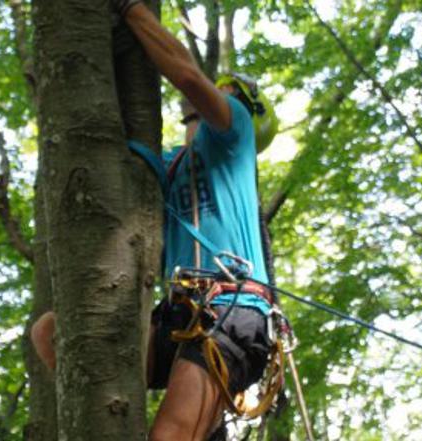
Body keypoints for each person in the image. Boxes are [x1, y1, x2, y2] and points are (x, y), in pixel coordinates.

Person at [31, 1, 280, 440]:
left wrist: (129, 8)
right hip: (181, 316)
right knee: (50, 333)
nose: (211, 92)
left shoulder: (234, 135)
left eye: (226, 89)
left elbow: (185, 75)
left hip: (233, 310)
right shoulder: (167, 168)